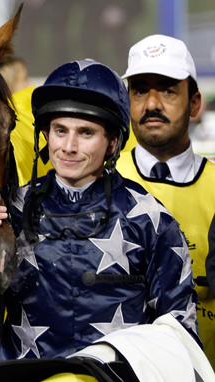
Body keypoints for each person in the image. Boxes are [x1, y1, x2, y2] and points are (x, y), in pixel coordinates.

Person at [0, 59, 211, 381]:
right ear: (46, 135)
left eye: (86, 133)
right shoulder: (7, 215)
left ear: (112, 143)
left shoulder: (152, 220)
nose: (69, 147)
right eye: (60, 130)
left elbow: (181, 341)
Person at [115, 34, 215, 368]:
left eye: (168, 90)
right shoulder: (100, 183)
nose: (152, 104)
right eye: (140, 90)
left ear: (195, 104)